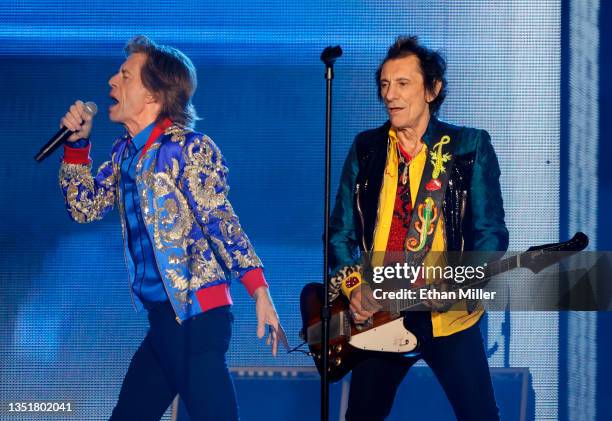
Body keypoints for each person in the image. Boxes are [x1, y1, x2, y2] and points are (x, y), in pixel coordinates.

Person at [58, 35, 287, 421]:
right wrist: (77, 147)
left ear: (153, 94)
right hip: (165, 319)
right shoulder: (124, 153)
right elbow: (84, 207)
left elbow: (222, 222)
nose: (112, 81)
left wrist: (259, 291)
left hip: (197, 316)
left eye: (125, 75)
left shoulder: (186, 149)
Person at [328, 36, 509, 421]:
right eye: (384, 85)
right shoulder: (368, 148)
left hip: (448, 314)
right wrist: (354, 287)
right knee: (361, 416)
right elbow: (340, 232)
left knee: (480, 416)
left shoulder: (467, 146)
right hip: (381, 313)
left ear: (432, 89)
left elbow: (490, 235)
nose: (390, 94)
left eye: (403, 84)